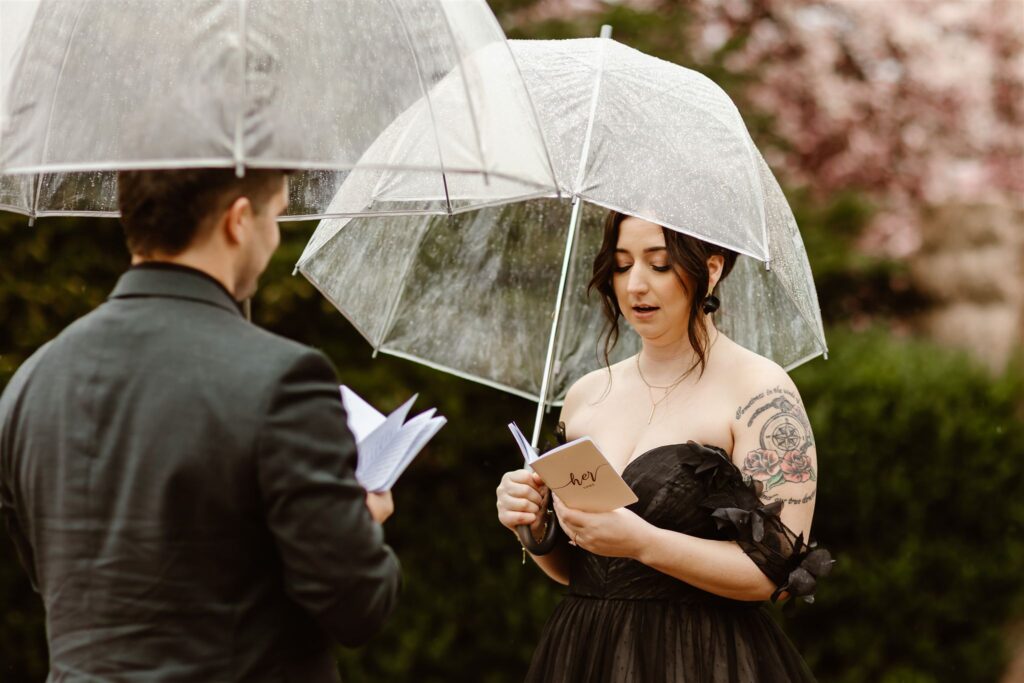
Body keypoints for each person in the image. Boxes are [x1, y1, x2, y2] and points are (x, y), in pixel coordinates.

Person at [0, 169, 401, 682]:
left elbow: (54, 578)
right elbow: (358, 605)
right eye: (274, 216)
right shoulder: (282, 380)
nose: (273, 238)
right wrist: (358, 520)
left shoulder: (31, 382)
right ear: (239, 221)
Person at [496, 210, 832, 682]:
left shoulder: (760, 393)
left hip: (700, 656)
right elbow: (582, 569)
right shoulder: (586, 395)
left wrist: (643, 543)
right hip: (585, 652)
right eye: (621, 265)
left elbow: (772, 574)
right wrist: (533, 528)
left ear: (710, 269)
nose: (635, 285)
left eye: (658, 264)